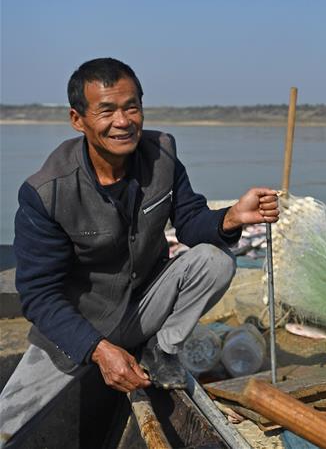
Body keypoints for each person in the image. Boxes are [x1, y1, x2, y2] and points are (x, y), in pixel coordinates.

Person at [0, 58, 281, 446]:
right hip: (78, 324)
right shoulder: (46, 192)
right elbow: (39, 296)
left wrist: (232, 217)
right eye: (107, 110)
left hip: (143, 307)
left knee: (216, 260)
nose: (123, 121)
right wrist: (98, 350)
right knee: (7, 421)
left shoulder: (162, 156)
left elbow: (191, 221)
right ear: (77, 119)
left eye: (132, 107)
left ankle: (160, 351)